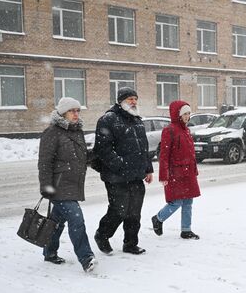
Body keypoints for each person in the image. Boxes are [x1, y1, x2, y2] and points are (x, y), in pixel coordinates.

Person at [38, 97, 96, 272]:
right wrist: (46, 186)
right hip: (59, 186)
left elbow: (81, 158)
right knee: (76, 219)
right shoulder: (52, 132)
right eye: (72, 111)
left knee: (56, 222)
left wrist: (97, 154)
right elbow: (45, 162)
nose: (76, 114)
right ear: (63, 113)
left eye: (78, 110)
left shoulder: (76, 131)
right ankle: (87, 258)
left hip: (73, 185)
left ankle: (49, 252)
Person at [93, 87, 154, 255]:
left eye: (135, 99)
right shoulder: (108, 119)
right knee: (118, 210)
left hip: (136, 175)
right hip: (116, 176)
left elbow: (144, 147)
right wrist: (120, 164)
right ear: (120, 101)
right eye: (129, 99)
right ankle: (102, 235)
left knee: (134, 211)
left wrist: (148, 169)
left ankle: (130, 243)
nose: (133, 102)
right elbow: (103, 149)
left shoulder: (137, 120)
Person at [151, 100, 201, 240]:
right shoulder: (169, 130)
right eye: (185, 114)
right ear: (177, 115)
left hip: (188, 171)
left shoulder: (187, 130)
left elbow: (190, 153)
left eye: (189, 113)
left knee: (188, 201)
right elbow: (164, 155)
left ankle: (186, 230)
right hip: (176, 172)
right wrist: (164, 175)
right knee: (176, 201)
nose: (187, 116)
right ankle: (158, 218)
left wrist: (194, 170)